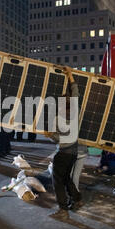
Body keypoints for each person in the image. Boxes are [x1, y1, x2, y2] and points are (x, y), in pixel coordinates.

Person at [45, 67, 82, 220]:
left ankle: (63, 210)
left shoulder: (60, 118)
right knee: (66, 177)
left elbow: (58, 138)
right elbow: (76, 93)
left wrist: (49, 135)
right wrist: (70, 76)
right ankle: (77, 199)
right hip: (74, 152)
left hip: (64, 153)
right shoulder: (75, 111)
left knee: (57, 181)